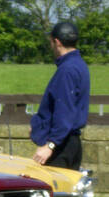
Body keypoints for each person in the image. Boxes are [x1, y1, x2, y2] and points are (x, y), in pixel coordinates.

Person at [31, 20, 91, 169]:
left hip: (61, 147)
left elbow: (64, 112)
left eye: (51, 42)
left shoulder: (67, 70)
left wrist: (50, 145)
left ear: (57, 42)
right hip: (71, 142)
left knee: (51, 191)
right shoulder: (80, 65)